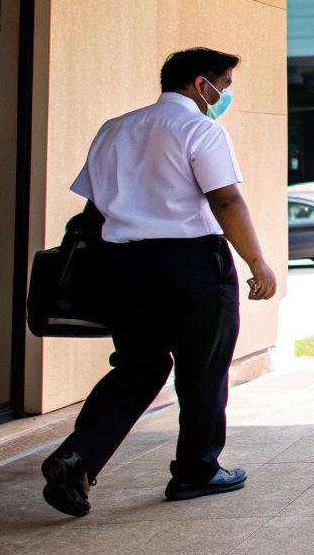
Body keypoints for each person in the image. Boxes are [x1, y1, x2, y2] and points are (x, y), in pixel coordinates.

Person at [39, 48, 278, 518]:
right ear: (199, 83)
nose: (223, 96)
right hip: (191, 264)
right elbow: (226, 201)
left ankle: (78, 457)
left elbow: (94, 204)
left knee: (138, 367)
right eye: (223, 86)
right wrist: (258, 263)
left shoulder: (115, 128)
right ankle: (197, 470)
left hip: (121, 266)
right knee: (202, 369)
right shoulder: (200, 129)